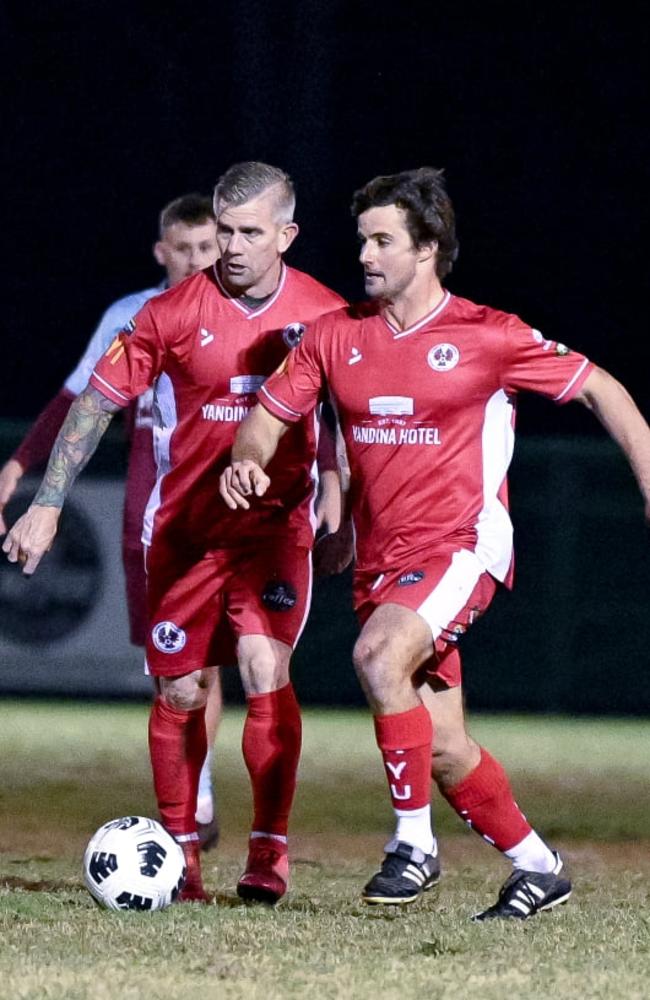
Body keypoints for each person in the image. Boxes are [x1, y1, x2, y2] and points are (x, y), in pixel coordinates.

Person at [219, 166, 650, 920]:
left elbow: (599, 388)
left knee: (377, 658)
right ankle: (539, 866)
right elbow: (266, 420)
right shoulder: (335, 336)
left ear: (428, 249)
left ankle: (413, 845)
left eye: (382, 240)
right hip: (381, 565)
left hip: (461, 547)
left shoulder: (489, 336)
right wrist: (247, 462)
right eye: (362, 240)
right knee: (443, 748)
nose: (365, 254)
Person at [3, 162, 345, 904]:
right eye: (223, 231)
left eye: (250, 232)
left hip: (273, 533)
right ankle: (181, 855)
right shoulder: (167, 312)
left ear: (286, 234)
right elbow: (93, 405)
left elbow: (347, 417)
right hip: (184, 534)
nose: (231, 246)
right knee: (181, 687)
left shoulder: (323, 313)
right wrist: (48, 501)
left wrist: (342, 495)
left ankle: (268, 853)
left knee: (262, 670)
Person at [0, 193, 224, 849]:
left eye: (206, 247)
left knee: (210, 660)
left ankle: (202, 800)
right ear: (162, 251)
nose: (194, 259)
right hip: (147, 503)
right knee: (166, 661)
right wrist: (20, 466)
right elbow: (78, 398)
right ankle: (196, 794)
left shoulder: (243, 316)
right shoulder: (131, 315)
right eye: (182, 248)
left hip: (220, 507)